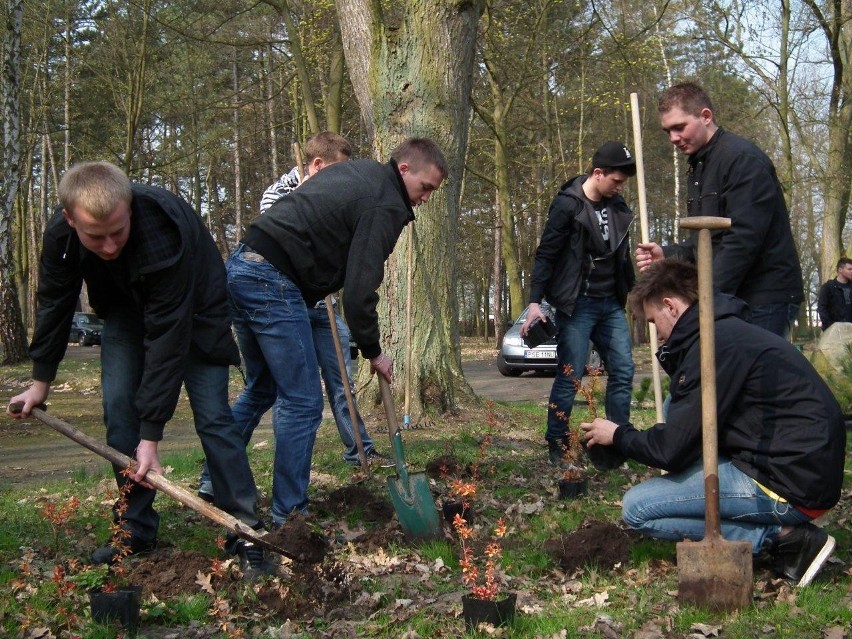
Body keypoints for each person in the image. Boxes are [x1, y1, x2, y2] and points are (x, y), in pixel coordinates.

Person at [7, 162, 269, 574]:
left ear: (130, 208)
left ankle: (247, 530)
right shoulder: (60, 239)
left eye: (118, 232)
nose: (110, 247)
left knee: (214, 417)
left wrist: (152, 437)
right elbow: (55, 302)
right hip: (125, 314)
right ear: (69, 219)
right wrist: (41, 381)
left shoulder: (162, 229)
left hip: (195, 311)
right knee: (118, 414)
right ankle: (135, 527)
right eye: (96, 236)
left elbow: (168, 337)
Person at [581, 260, 845, 588]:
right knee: (672, 403)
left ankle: (787, 539)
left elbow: (671, 449)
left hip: (791, 484)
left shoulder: (714, 348)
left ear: (670, 306)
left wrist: (619, 435)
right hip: (800, 463)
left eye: (654, 322)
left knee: (638, 508)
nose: (658, 334)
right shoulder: (724, 330)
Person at [228, 137, 447, 525]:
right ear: (404, 169)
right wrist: (374, 350)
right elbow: (361, 290)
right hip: (272, 279)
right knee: (303, 401)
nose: (425, 199)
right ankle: (289, 516)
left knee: (261, 389)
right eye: (425, 187)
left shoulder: (360, 172)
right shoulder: (385, 203)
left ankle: (216, 482)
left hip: (244, 264)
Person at [197, 133, 387, 501]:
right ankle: (216, 477)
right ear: (316, 166)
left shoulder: (336, 192)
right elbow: (287, 242)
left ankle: (358, 447)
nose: (344, 181)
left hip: (319, 307)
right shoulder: (280, 194)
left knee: (341, 380)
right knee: (276, 393)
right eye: (338, 171)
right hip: (278, 300)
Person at [635, 81, 804, 338]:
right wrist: (667, 255)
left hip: (763, 297)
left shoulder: (742, 160)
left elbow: (743, 240)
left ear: (705, 117)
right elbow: (707, 242)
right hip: (732, 295)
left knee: (752, 376)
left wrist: (704, 297)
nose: (673, 138)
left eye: (679, 127)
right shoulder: (698, 166)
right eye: (667, 131)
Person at [521, 141, 636, 468]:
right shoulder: (567, 205)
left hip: (611, 304)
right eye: (615, 180)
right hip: (576, 305)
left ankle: (615, 440)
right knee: (570, 376)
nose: (619, 187)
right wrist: (534, 302)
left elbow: (621, 259)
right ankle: (557, 440)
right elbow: (547, 254)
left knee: (624, 370)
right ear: (598, 173)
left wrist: (635, 293)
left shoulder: (618, 204)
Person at [817, 257, 852, 330]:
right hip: (834, 330)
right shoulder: (828, 287)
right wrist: (830, 327)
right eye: (849, 269)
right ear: (840, 270)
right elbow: (822, 308)